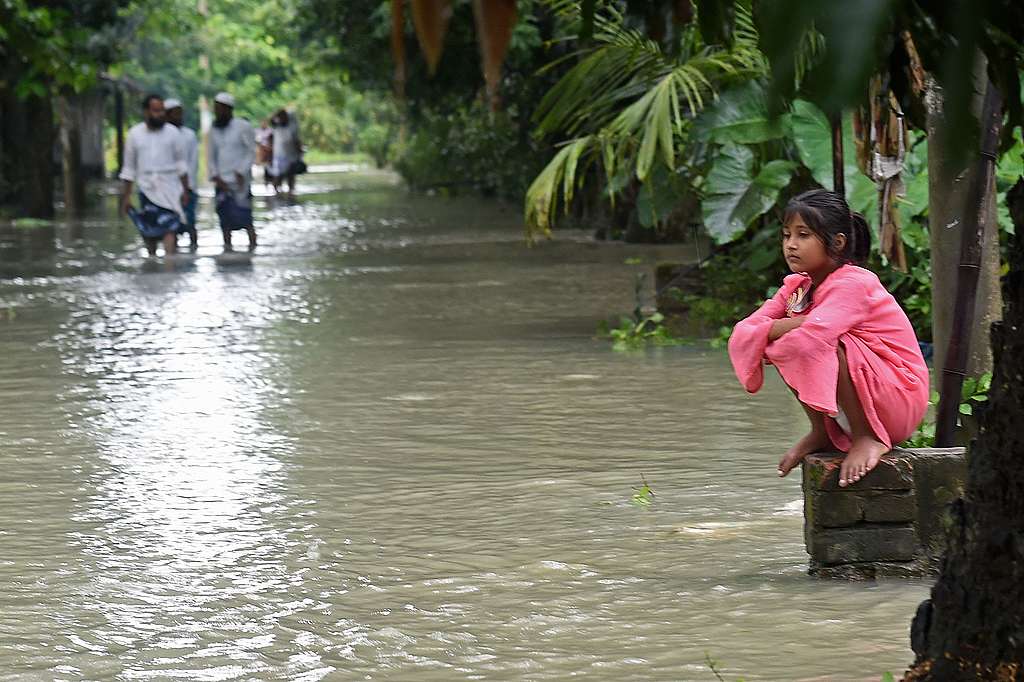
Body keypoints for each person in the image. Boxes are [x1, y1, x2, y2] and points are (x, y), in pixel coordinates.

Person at [727, 189, 929, 488]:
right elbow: (743, 333)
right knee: (784, 341)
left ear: (837, 242)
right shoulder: (798, 287)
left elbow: (815, 335)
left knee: (815, 342)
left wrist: (785, 326)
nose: (791, 245)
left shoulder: (854, 281)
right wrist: (792, 324)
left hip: (898, 397)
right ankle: (821, 430)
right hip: (866, 395)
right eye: (786, 235)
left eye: (803, 235)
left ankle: (867, 437)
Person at [119, 94, 189, 256]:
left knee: (170, 228)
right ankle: (151, 267)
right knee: (149, 231)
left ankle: (169, 268)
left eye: (162, 111)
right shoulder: (134, 134)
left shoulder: (173, 133)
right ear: (146, 112)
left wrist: (186, 190)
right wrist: (126, 197)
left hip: (170, 188)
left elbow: (181, 165)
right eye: (156, 111)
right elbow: (129, 169)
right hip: (146, 188)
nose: (160, 114)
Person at [208, 91, 256, 250]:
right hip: (222, 181)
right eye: (215, 109)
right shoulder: (214, 129)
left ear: (229, 109)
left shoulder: (243, 126)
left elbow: (250, 151)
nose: (217, 112)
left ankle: (252, 248)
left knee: (246, 218)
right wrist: (215, 176)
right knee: (224, 219)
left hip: (241, 181)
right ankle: (227, 249)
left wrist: (241, 171)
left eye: (220, 108)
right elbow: (210, 154)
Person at [164, 98, 199, 250]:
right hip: (167, 188)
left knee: (190, 222)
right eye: (175, 114)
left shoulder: (189, 135)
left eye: (180, 114)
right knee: (171, 226)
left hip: (187, 187)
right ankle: (174, 252)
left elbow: (193, 162)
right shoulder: (161, 135)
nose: (179, 117)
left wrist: (188, 187)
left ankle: (193, 249)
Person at [269, 108, 302, 197]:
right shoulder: (277, 126)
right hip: (279, 155)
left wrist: (299, 153)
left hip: (291, 155)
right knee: (278, 176)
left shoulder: (292, 127)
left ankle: (290, 193)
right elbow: (271, 120)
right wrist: (278, 113)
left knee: (290, 176)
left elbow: (296, 141)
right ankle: (277, 193)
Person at [255, 118, 273, 188]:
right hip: (261, 150)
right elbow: (256, 141)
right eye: (262, 123)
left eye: (264, 123)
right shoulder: (257, 131)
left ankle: (270, 181)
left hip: (269, 150)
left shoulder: (271, 131)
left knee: (268, 166)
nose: (263, 124)